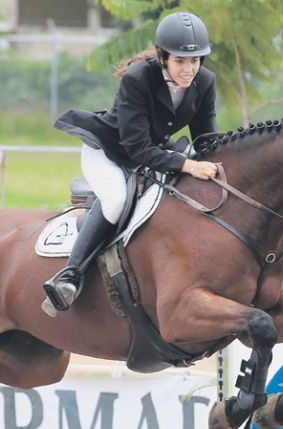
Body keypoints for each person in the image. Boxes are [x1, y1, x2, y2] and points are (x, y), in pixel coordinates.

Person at [42, 11, 221, 316]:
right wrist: (187, 165)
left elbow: (206, 139)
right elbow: (136, 147)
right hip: (109, 150)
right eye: (180, 61)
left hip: (154, 151)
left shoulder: (205, 81)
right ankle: (70, 276)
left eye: (195, 61)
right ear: (163, 57)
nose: (189, 69)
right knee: (116, 200)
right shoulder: (138, 79)